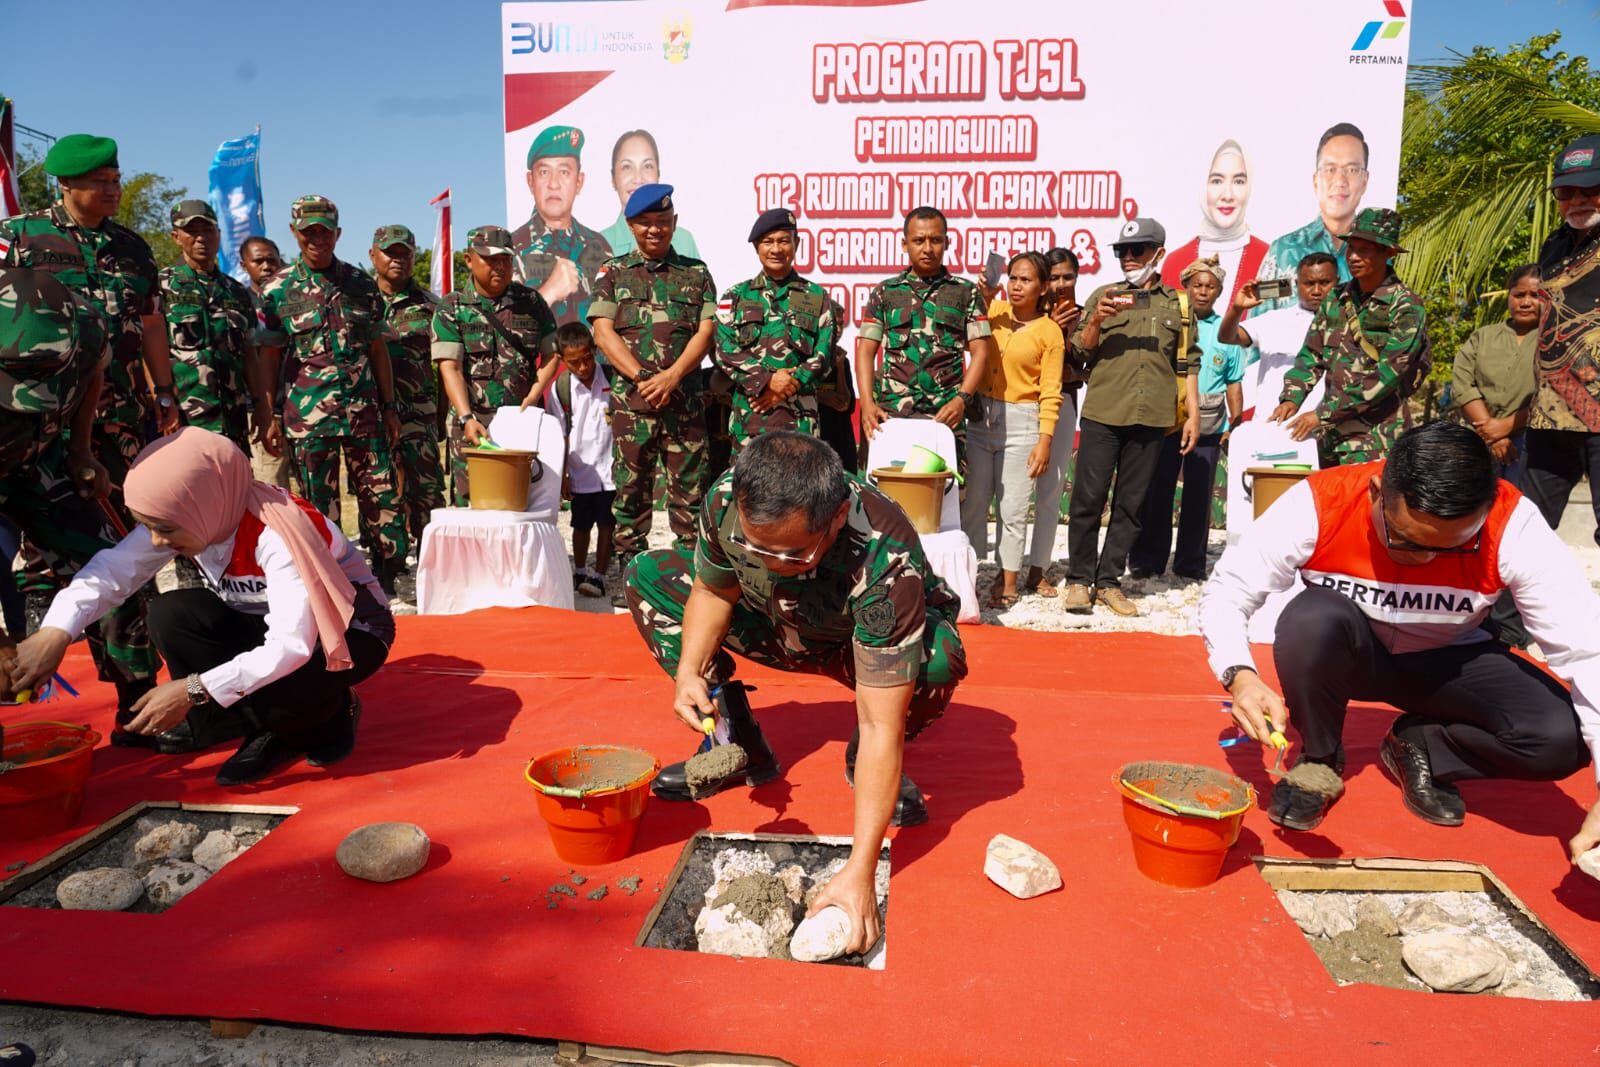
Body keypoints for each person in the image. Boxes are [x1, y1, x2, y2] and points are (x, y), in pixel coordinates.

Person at [624, 432, 967, 952]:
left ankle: (867, 769)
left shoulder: (883, 556)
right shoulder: (728, 498)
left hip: (851, 642)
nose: (770, 560)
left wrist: (860, 871)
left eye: (792, 553)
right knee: (648, 575)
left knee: (939, 660)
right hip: (773, 621)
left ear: (837, 516)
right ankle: (734, 742)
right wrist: (690, 671)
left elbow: (881, 724)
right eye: (753, 546)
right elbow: (713, 588)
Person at [1199, 422, 1600, 859]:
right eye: (1405, 540)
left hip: (1451, 660)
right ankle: (1319, 755)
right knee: (1310, 619)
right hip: (1352, 655)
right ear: (1375, 492)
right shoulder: (1321, 500)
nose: (1423, 560)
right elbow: (1228, 590)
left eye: (1451, 547)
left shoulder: (1514, 523)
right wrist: (1240, 675)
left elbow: (1587, 648)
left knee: (1561, 739)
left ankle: (1424, 744)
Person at [5, 428, 394, 787]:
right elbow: (111, 573)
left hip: (346, 634)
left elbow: (290, 646)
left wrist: (193, 689)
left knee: (286, 682)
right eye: (150, 526)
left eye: (166, 529)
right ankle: (237, 722)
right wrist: (55, 633)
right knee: (171, 614)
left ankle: (327, 717)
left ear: (204, 502)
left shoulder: (278, 535)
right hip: (262, 622)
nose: (157, 541)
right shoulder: (196, 511)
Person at [0, 132, 174, 715]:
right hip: (13, 421)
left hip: (92, 426)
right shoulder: (18, 238)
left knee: (117, 553)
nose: (112, 189)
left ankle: (138, 697)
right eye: (99, 181)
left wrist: (162, 396)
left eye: (116, 179)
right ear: (65, 184)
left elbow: (132, 336)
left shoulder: (130, 250)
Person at [255, 195, 409, 592]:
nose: (317, 239)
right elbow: (269, 357)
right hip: (307, 420)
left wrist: (390, 407)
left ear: (338, 234)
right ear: (294, 233)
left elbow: (378, 349)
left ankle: (386, 578)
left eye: (325, 231)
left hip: (365, 413)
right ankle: (331, 581)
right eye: (309, 232)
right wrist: (268, 414)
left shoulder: (361, 285)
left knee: (382, 499)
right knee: (317, 508)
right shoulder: (276, 290)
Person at [1062, 217, 1201, 617]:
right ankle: (1078, 580)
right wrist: (1097, 320)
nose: (1127, 258)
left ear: (1159, 252)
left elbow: (1189, 361)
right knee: (1088, 499)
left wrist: (1192, 415)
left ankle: (1108, 582)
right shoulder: (1103, 295)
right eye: (1121, 251)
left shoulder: (1178, 303)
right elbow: (1080, 354)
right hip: (1104, 412)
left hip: (1154, 415)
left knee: (1131, 504)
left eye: (1136, 250)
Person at [589, 184, 717, 564]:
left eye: (662, 222)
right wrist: (645, 377)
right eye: (645, 223)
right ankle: (633, 577)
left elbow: (706, 332)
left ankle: (690, 583)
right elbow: (602, 331)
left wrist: (673, 377)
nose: (654, 229)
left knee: (691, 499)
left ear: (674, 223)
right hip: (633, 409)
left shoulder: (696, 274)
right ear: (631, 225)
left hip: (685, 406)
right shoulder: (612, 273)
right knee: (630, 496)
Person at [1270, 208, 1430, 468]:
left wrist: (1322, 414)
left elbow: (1387, 375)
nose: (1354, 257)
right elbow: (1312, 355)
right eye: (1351, 248)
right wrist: (1291, 397)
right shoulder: (1336, 298)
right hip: (1330, 438)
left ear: (1388, 253)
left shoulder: (1406, 306)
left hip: (1376, 439)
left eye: (1364, 250)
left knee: (1369, 508)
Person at [1129, 257, 1243, 581]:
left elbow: (1235, 382)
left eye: (1210, 286)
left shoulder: (1227, 332)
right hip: (1168, 421)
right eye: (1197, 285)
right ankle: (1147, 560)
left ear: (1219, 291)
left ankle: (1190, 564)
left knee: (1198, 497)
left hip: (1209, 426)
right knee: (1157, 492)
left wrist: (1235, 422)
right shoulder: (1169, 322)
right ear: (1186, 288)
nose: (1203, 292)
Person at [961, 251, 1063, 608]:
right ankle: (967, 578)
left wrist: (1045, 439)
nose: (1017, 286)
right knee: (973, 503)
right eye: (1014, 278)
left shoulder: (1050, 332)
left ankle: (1007, 583)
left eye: (1026, 280)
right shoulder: (995, 314)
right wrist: (985, 298)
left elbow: (1051, 390)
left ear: (1043, 287)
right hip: (980, 419)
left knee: (1014, 507)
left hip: (1023, 420)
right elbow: (969, 341)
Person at [855, 207, 992, 473]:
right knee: (891, 501)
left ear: (947, 242)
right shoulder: (885, 292)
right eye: (919, 240)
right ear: (905, 244)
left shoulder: (966, 292)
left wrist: (961, 399)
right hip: (891, 416)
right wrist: (867, 404)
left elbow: (981, 352)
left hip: (945, 416)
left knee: (945, 502)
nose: (927, 248)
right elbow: (865, 351)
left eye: (935, 240)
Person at [430, 226, 558, 505]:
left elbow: (552, 355)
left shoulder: (531, 302)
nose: (499, 266)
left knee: (522, 501)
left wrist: (535, 394)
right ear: (468, 259)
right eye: (490, 259)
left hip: (521, 421)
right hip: (475, 426)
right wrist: (466, 418)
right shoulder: (452, 307)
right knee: (473, 503)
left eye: (506, 260)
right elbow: (449, 367)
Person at [1522, 134, 1600, 546]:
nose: (1578, 200)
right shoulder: (1556, 244)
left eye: (1592, 190)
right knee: (1524, 530)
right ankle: (1502, 615)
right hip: (1552, 414)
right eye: (1567, 192)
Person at [713, 209, 839, 451]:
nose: (776, 249)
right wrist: (768, 380)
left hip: (800, 421)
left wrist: (785, 386)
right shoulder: (736, 296)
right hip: (750, 418)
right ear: (757, 247)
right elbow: (724, 350)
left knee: (802, 488)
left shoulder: (816, 296)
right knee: (749, 489)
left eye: (784, 241)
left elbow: (824, 355)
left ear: (797, 243)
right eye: (768, 242)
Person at [158, 200, 257, 453]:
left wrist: (261, 409)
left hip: (233, 423)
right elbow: (148, 350)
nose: (201, 238)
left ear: (219, 235)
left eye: (208, 230)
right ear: (176, 237)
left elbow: (250, 355)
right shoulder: (161, 287)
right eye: (192, 231)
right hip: (184, 421)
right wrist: (162, 399)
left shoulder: (236, 291)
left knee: (235, 490)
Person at [370, 224, 446, 548]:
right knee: (378, 492)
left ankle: (432, 563)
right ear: (373, 255)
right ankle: (388, 565)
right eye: (391, 252)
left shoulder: (431, 305)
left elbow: (444, 367)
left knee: (426, 492)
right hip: (370, 415)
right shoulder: (360, 301)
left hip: (419, 415)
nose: (398, 259)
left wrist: (441, 417)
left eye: (405, 253)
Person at [1255, 123, 1369, 311]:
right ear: (1316, 180)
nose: (1340, 181)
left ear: (1365, 180)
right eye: (1330, 169)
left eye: (1352, 170)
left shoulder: (1378, 257)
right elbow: (1257, 323)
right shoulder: (1284, 252)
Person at [1023, 247, 1083, 598]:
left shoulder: (1085, 314)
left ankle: (1038, 568)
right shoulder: (1026, 310)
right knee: (1014, 492)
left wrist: (1064, 335)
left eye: (1068, 277)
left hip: (1062, 401)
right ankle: (1007, 569)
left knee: (1050, 490)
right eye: (1055, 278)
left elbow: (1085, 361)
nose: (1061, 285)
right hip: (1020, 403)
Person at [510, 124, 614, 326]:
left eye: (564, 172)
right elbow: (500, 332)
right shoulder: (511, 248)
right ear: (530, 181)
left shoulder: (600, 247)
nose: (554, 183)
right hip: (540, 358)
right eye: (544, 172)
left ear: (579, 182)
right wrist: (548, 292)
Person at [1217, 252, 1339, 422]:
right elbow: (1227, 337)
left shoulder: (1351, 323)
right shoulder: (1274, 320)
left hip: (1326, 428)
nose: (1317, 291)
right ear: (1296, 284)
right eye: (1309, 283)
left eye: (1325, 283)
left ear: (1338, 282)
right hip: (1273, 427)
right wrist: (1237, 309)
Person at [541, 322, 615, 597]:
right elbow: (559, 435)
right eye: (575, 363)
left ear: (595, 351)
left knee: (608, 522)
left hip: (610, 469)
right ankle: (581, 569)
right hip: (580, 469)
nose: (583, 368)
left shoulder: (611, 378)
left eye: (587, 359)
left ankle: (600, 575)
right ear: (561, 360)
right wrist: (561, 476)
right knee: (581, 524)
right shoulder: (561, 389)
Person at [1454, 264, 1541, 483]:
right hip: (1481, 441)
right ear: (1508, 295)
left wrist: (1506, 426)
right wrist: (1492, 434)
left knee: (1519, 510)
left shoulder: (1553, 341)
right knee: (1478, 508)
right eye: (1519, 295)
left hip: (1532, 444)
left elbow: (1553, 394)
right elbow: (1463, 383)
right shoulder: (1482, 337)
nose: (1526, 302)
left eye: (1535, 295)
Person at [1160, 139, 1269, 309]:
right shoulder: (1175, 262)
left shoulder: (1269, 258)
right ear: (1202, 184)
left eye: (1239, 181)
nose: (1228, 195)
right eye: (1217, 181)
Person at [238, 236, 292, 490]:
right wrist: (265, 413)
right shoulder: (237, 302)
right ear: (244, 264)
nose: (266, 266)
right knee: (273, 490)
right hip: (259, 411)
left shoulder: (293, 299)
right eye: (258, 260)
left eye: (272, 259)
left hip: (299, 409)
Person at [600, 129, 701, 260]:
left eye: (647, 166)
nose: (638, 178)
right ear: (613, 179)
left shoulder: (683, 241)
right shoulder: (598, 245)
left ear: (658, 174)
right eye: (627, 167)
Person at [815, 298, 859, 471]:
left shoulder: (843, 360)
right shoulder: (807, 359)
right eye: (835, 324)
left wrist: (839, 368)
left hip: (840, 439)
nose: (839, 330)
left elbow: (845, 404)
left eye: (841, 325)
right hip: (818, 437)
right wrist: (823, 398)